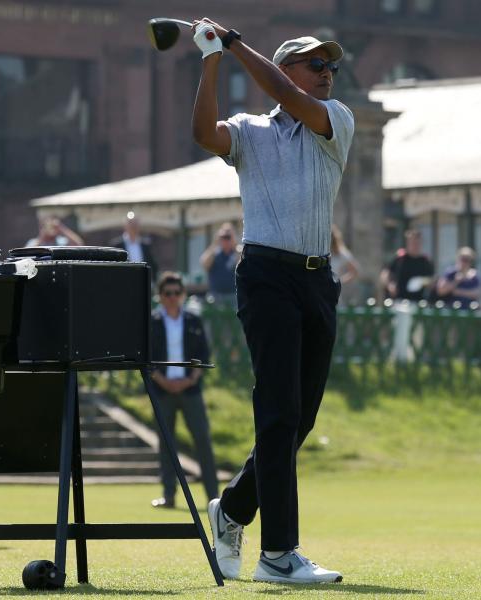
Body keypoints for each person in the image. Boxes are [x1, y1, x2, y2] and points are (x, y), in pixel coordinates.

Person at [191, 17, 352, 584]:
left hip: (316, 280)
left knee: (299, 419)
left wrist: (232, 42)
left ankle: (232, 507)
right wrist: (212, 57)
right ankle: (278, 554)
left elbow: (283, 94)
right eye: (316, 64)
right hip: (265, 276)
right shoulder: (252, 130)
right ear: (286, 67)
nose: (328, 73)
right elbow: (205, 135)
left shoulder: (337, 119)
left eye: (331, 65)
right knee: (279, 412)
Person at [147, 272, 219, 509]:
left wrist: (190, 379)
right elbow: (147, 359)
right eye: (168, 293)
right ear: (160, 295)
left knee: (202, 439)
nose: (172, 297)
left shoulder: (193, 320)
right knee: (166, 444)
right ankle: (169, 495)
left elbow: (204, 355)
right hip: (163, 389)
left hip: (190, 389)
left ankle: (214, 499)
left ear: (183, 294)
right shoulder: (153, 321)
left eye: (177, 293)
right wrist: (163, 380)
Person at [381, 229, 434, 302]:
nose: (415, 245)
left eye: (417, 243)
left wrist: (422, 282)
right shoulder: (400, 258)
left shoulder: (425, 261)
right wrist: (390, 285)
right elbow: (385, 273)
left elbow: (432, 280)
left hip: (418, 302)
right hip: (398, 301)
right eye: (412, 243)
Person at [199, 223, 239, 306]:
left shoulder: (238, 252)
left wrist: (235, 243)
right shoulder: (214, 253)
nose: (226, 239)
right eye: (224, 237)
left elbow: (243, 263)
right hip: (215, 296)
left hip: (234, 296)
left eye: (228, 237)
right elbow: (204, 264)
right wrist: (215, 243)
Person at [112, 211, 158, 277]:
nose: (133, 227)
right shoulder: (117, 245)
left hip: (142, 281)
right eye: (131, 223)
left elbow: (153, 265)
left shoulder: (146, 245)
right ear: (125, 225)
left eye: (135, 224)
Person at [329, 224, 359, 297]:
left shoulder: (341, 253)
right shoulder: (320, 252)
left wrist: (339, 281)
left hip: (333, 291)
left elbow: (355, 271)